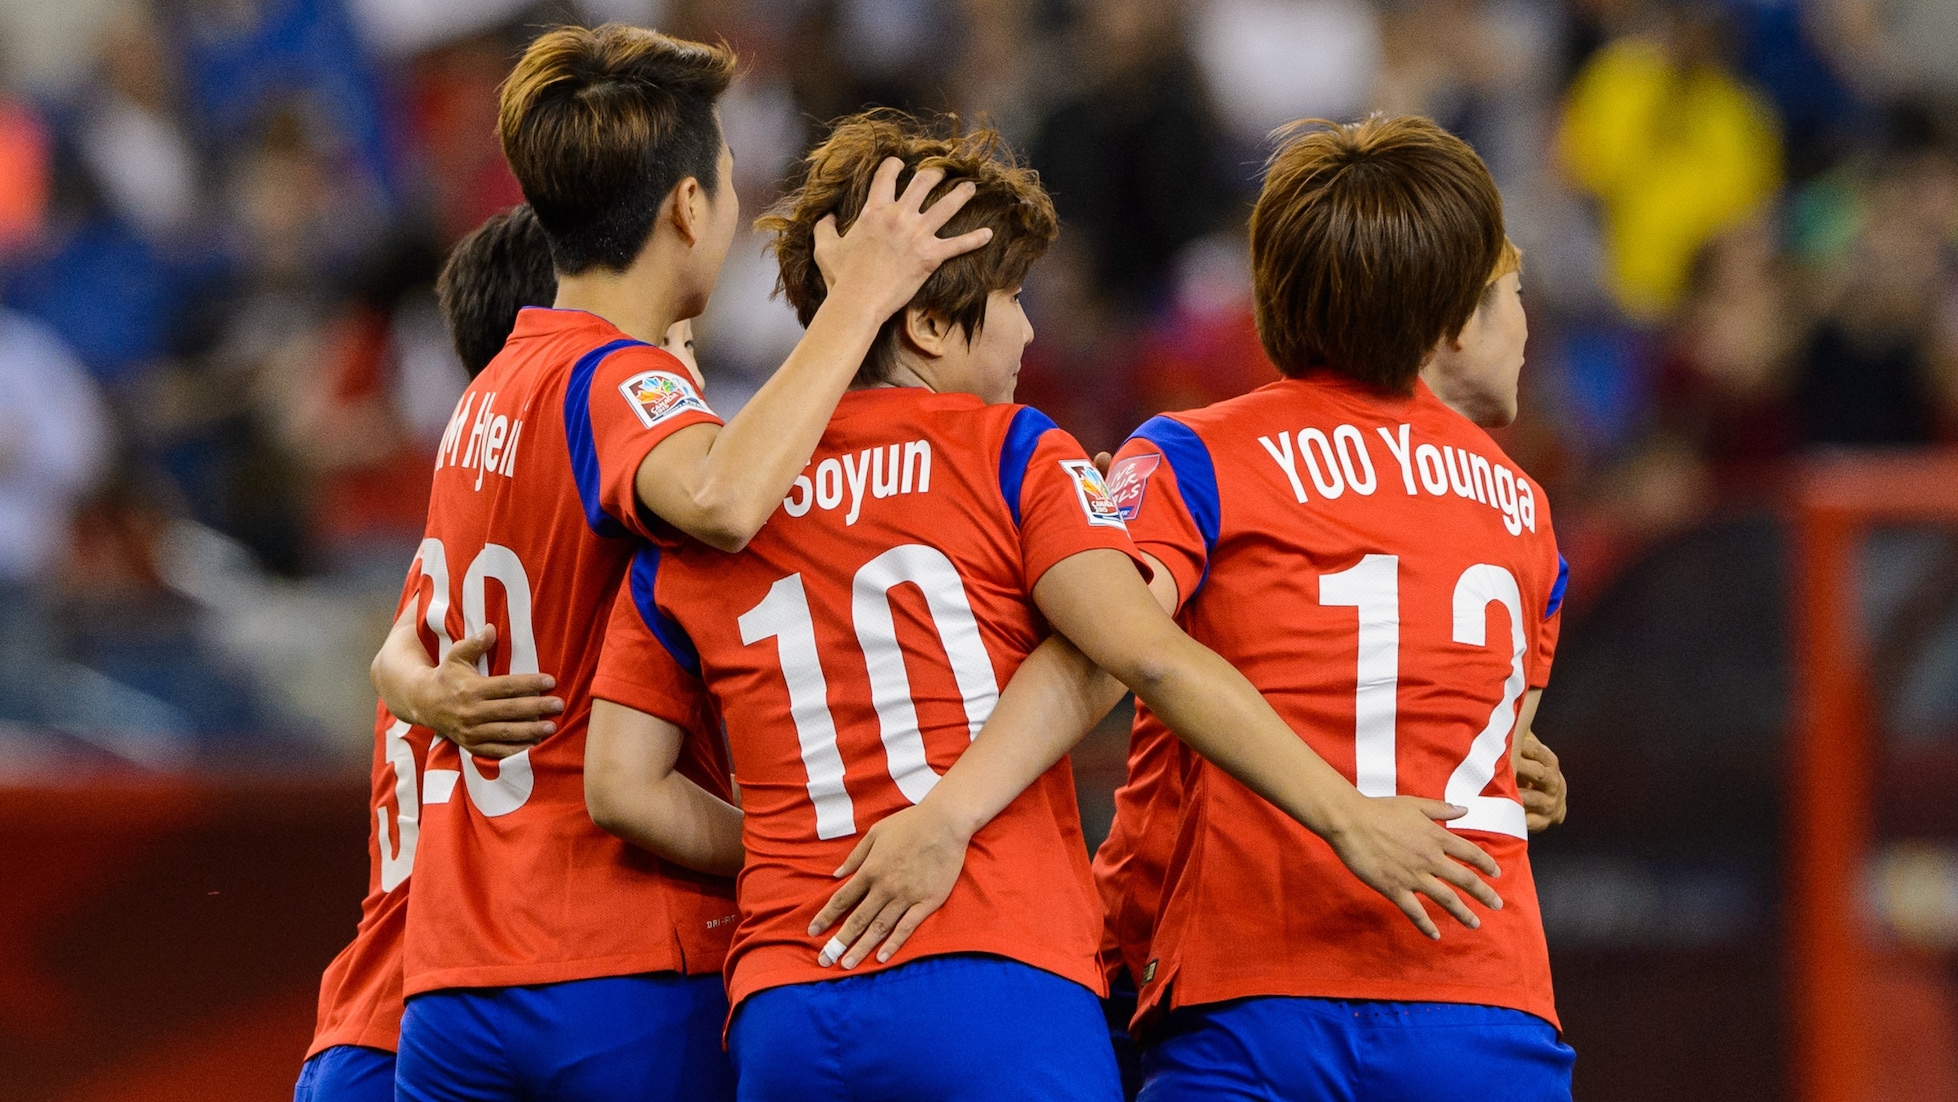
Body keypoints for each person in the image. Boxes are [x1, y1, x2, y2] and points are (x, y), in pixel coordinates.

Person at [585, 110, 1505, 1102]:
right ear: (930, 323)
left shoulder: (697, 510)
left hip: (788, 1003)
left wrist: (801, 852)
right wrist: (1345, 814)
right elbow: (1132, 651)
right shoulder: (1013, 452)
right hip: (995, 971)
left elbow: (623, 790)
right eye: (1011, 295)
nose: (1027, 326)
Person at [309, 22, 993, 1102]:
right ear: (685, 207)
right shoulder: (617, 382)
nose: (729, 205)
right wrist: (864, 295)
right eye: (725, 181)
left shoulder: (485, 396)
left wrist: (400, 674)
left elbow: (418, 633)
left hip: (452, 975)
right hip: (610, 951)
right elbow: (723, 501)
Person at [1101, 116, 1574, 1100]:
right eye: (1511, 294)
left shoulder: (1190, 455)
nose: (1523, 320)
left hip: (1251, 987)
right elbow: (1493, 751)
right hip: (1479, 996)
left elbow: (1109, 645)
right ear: (1451, 311)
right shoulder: (1524, 512)